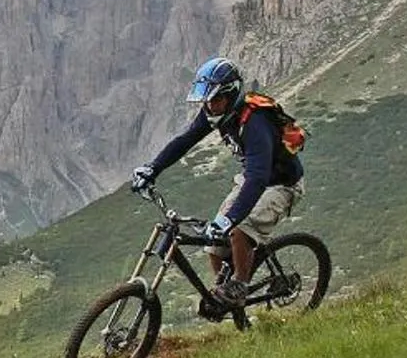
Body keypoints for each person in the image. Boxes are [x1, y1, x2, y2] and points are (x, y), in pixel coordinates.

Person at [130, 57, 305, 305]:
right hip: (252, 180)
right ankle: (223, 295)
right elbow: (185, 140)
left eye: (215, 100)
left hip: (280, 185)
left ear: (230, 95)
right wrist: (152, 168)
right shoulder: (216, 112)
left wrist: (230, 219)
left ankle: (240, 286)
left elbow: (257, 177)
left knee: (238, 229)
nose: (210, 107)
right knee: (214, 244)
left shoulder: (255, 122)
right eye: (206, 101)